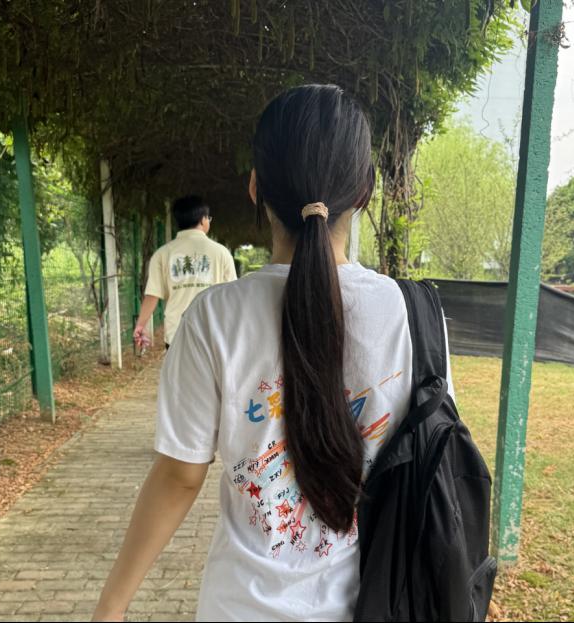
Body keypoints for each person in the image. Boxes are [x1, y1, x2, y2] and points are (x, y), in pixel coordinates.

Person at [93, 84, 454, 622]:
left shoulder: (213, 319)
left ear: (255, 186)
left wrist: (112, 605)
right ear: (365, 190)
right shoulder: (417, 315)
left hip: (240, 607)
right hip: (382, 603)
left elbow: (180, 476)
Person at [133, 195, 237, 349]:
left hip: (177, 334)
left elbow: (152, 294)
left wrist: (140, 325)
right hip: (212, 334)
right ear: (203, 220)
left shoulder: (162, 254)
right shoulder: (221, 253)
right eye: (209, 218)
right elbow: (232, 295)